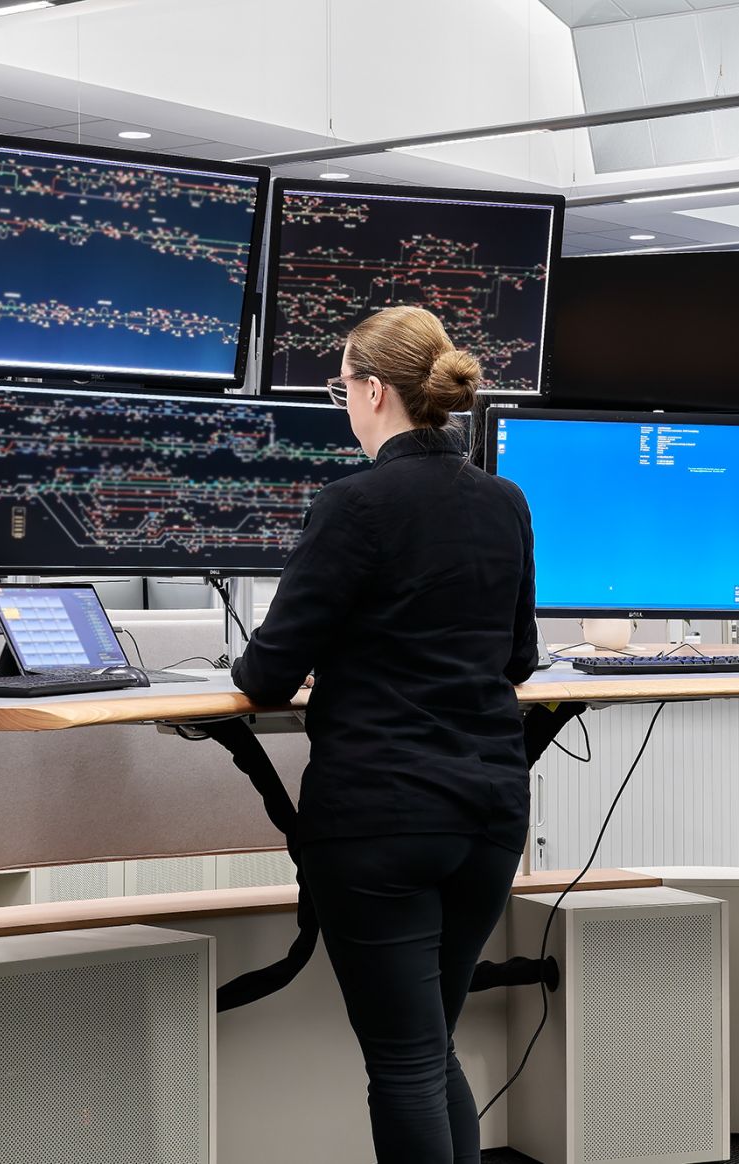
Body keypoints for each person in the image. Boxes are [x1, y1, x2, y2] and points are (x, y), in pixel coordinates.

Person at [231, 304, 539, 1163]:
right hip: (489, 813)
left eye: (342, 387)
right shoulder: (503, 500)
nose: (345, 401)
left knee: (403, 1063)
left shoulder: (353, 504)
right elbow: (517, 657)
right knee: (429, 1047)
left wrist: (343, 661)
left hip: (383, 815)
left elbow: (264, 676)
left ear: (371, 391)